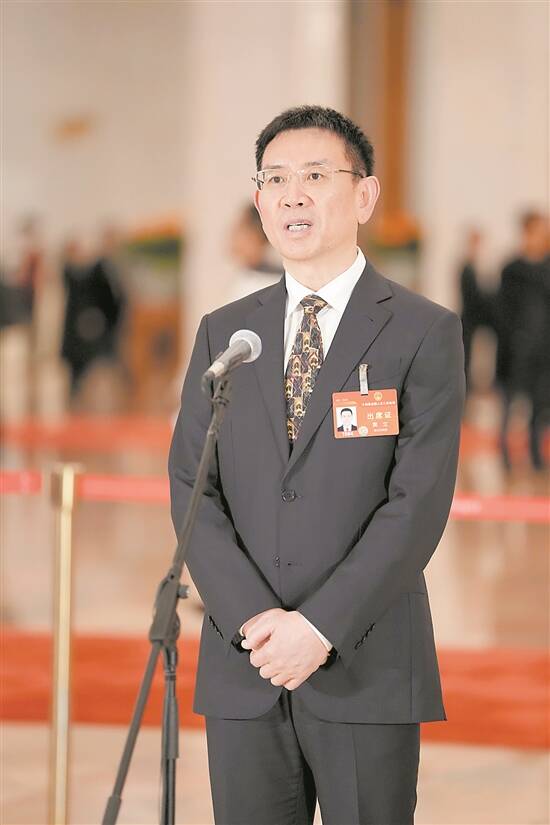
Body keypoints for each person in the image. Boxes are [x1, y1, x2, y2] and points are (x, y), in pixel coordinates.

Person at [169, 105, 465, 825]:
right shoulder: (226, 332)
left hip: (365, 661)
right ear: (259, 200)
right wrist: (254, 621)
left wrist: (319, 627)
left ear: (364, 195)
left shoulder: (421, 331)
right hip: (246, 663)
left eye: (314, 175)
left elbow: (417, 503)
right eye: (274, 179)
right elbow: (192, 483)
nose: (292, 195)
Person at [495, 210, 550, 471]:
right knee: (510, 401)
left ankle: (537, 453)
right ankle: (505, 453)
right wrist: (514, 337)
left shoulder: (547, 267)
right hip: (516, 348)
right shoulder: (512, 269)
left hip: (544, 348)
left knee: (541, 402)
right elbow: (501, 310)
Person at [227, 202, 282, 301]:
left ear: (256, 236)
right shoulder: (245, 276)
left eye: (241, 228)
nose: (233, 235)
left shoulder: (268, 284)